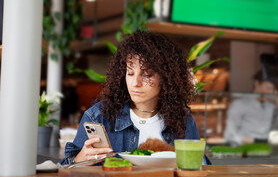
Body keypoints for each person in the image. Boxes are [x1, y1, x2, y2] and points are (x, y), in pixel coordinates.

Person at [61, 31, 210, 165]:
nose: (135, 83)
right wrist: (78, 160)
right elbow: (65, 168)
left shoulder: (182, 120)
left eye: (147, 75)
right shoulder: (99, 116)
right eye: (130, 73)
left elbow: (201, 167)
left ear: (166, 78)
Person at [224, 71, 278, 146]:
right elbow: (230, 134)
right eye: (268, 88)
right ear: (256, 84)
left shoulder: (271, 106)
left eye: (273, 90)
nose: (270, 92)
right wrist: (255, 141)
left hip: (265, 150)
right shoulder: (240, 104)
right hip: (244, 150)